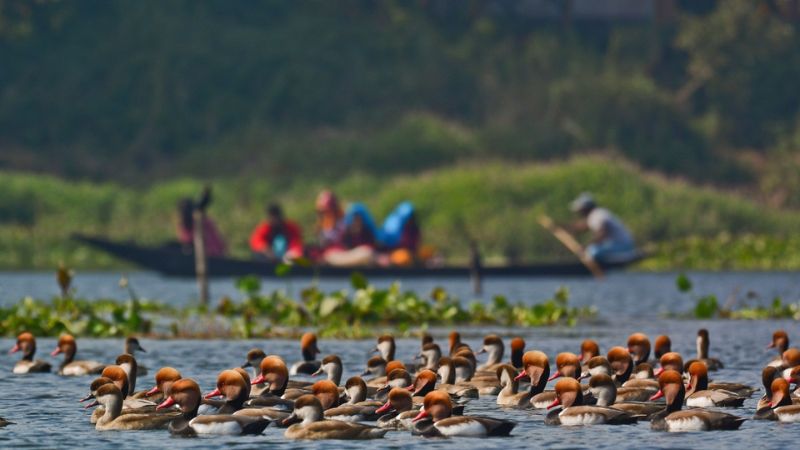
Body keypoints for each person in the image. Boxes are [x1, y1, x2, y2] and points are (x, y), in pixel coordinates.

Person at [570, 192, 637, 264]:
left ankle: (602, 266)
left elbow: (602, 234)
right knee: (591, 250)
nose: (579, 213)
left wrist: (586, 246)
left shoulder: (598, 215)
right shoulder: (595, 215)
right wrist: (563, 227)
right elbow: (581, 227)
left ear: (585, 208)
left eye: (580, 210)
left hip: (623, 246)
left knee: (592, 251)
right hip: (618, 245)